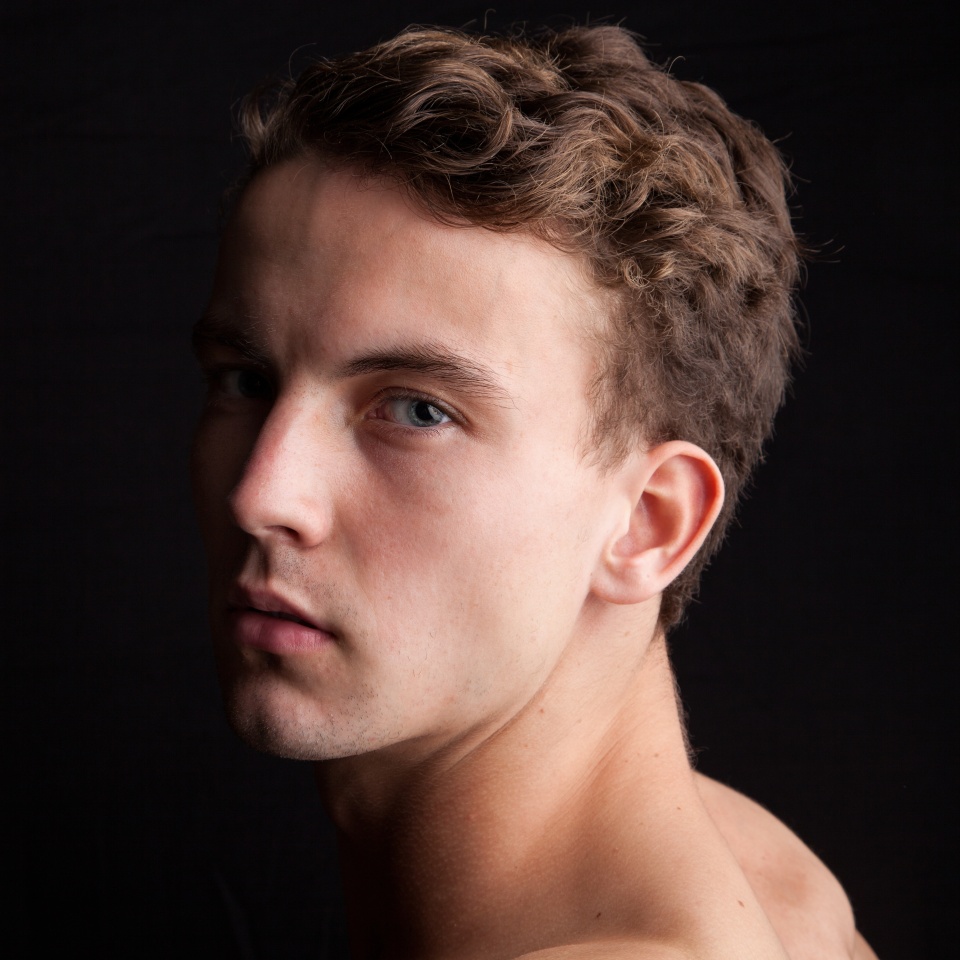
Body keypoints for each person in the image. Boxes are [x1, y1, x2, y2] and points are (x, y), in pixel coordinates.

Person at [191, 24, 877, 959]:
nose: (262, 494)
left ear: (647, 522)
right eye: (245, 379)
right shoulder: (768, 879)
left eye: (418, 411)